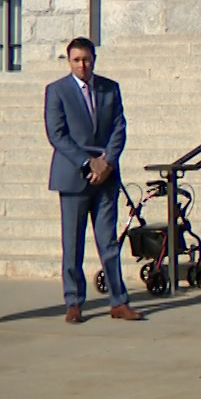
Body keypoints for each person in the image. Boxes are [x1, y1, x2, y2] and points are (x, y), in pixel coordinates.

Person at [44, 36, 141, 323]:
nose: (82, 65)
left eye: (86, 59)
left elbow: (119, 126)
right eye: (76, 60)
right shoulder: (57, 91)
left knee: (108, 242)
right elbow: (57, 134)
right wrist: (88, 163)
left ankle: (118, 301)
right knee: (72, 243)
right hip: (74, 177)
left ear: (94, 59)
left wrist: (107, 161)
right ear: (69, 61)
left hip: (105, 178)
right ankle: (73, 302)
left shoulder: (110, 89)